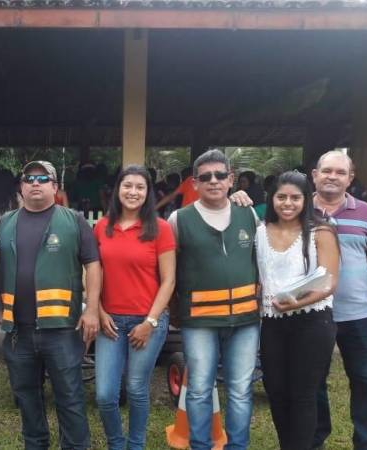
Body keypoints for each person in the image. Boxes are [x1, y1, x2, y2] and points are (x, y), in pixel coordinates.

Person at [0, 160, 101, 450]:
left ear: (55, 187)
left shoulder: (73, 221)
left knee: (70, 397)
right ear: (21, 187)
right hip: (18, 331)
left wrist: (92, 309)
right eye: (29, 179)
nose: (35, 183)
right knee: (27, 398)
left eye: (43, 179)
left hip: (62, 330)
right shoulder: (4, 224)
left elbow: (93, 265)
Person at [167, 150, 260, 450]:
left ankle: (237, 447)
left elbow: (262, 260)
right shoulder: (179, 219)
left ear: (231, 179)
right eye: (205, 177)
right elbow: (169, 271)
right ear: (194, 183)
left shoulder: (249, 214)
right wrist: (173, 310)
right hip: (199, 322)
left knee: (240, 390)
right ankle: (200, 445)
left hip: (245, 319)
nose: (213, 181)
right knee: (198, 389)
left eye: (220, 175)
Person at [310, 150, 367, 450]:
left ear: (350, 178)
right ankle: (314, 439)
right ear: (315, 175)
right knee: (313, 383)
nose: (332, 177)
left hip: (358, 314)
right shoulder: (297, 208)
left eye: (340, 172)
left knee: (366, 382)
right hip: (312, 313)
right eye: (327, 171)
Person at [256, 171, 340, 450]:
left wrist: (297, 302)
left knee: (303, 394)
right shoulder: (260, 231)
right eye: (281, 197)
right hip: (272, 322)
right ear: (272, 198)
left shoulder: (320, 232)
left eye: (295, 197)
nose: (288, 203)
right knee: (276, 392)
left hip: (312, 322)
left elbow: (329, 282)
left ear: (306, 200)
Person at [94, 165, 175, 450]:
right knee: (105, 394)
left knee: (137, 388)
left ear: (148, 192)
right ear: (117, 189)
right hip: (110, 322)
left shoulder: (161, 228)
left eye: (140, 187)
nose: (133, 192)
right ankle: (116, 443)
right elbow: (92, 274)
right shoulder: (102, 227)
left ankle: (136, 445)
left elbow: (169, 280)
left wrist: (149, 322)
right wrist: (98, 311)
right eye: (127, 185)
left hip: (148, 321)